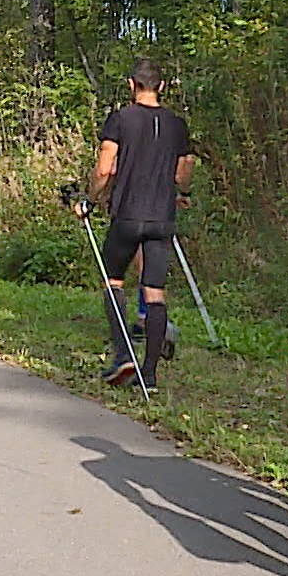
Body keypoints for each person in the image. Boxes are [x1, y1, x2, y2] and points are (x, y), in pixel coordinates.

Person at [84, 60, 194, 391]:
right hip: (161, 217)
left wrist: (89, 200)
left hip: (128, 215)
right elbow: (183, 171)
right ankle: (150, 374)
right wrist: (183, 193)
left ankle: (122, 355)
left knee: (113, 281)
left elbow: (104, 168)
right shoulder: (176, 124)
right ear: (160, 86)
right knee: (155, 292)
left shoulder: (120, 119)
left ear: (132, 85)